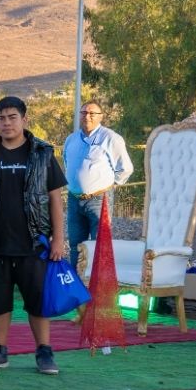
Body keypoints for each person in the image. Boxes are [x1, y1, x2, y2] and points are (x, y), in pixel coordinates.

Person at [0, 96, 68, 376]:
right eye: (0, 118)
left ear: (25, 120)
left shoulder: (43, 153)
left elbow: (55, 200)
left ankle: (44, 351)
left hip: (34, 242)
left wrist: (58, 240)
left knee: (37, 299)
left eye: (12, 117)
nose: (6, 123)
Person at [62, 100, 133, 272]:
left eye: (92, 113)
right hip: (74, 199)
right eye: (84, 113)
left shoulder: (110, 138)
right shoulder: (71, 140)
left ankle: (98, 290)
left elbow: (126, 168)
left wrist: (110, 184)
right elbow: (67, 163)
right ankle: (77, 287)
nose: (87, 116)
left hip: (99, 200)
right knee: (75, 246)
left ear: (100, 117)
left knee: (100, 246)